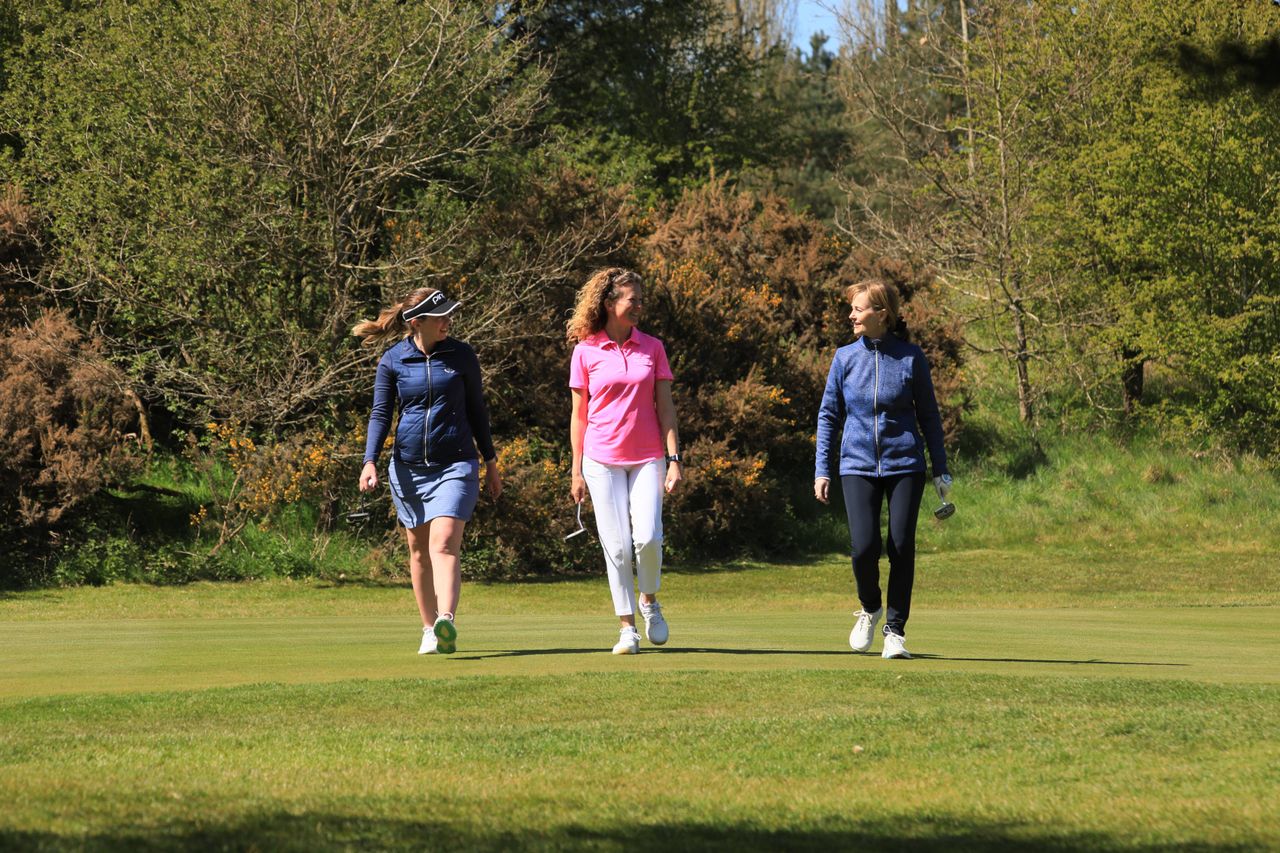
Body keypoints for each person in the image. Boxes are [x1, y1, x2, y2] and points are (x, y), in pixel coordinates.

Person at [354, 287, 502, 656]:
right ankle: (427, 628)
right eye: (441, 317)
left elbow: (477, 411)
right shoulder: (393, 360)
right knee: (419, 552)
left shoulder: (462, 356)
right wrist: (369, 460)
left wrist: (491, 462)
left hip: (456, 463)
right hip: (407, 470)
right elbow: (380, 414)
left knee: (444, 543)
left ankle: (446, 620)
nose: (448, 322)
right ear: (417, 321)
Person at [814, 279, 951, 660]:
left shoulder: (911, 357)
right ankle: (871, 607)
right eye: (852, 309)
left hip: (905, 462)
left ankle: (895, 630)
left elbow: (929, 416)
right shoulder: (844, 358)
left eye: (858, 309)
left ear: (881, 314)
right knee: (863, 548)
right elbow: (828, 415)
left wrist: (939, 469)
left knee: (901, 545)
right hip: (856, 464)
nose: (851, 315)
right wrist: (821, 469)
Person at [568, 267, 683, 655]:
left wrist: (674, 459)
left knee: (648, 538)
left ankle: (649, 600)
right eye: (632, 299)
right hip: (600, 459)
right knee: (615, 547)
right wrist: (576, 469)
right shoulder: (585, 350)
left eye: (640, 299)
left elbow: (665, 408)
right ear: (609, 303)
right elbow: (579, 416)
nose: (639, 305)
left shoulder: (653, 347)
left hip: (648, 456)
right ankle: (627, 627)